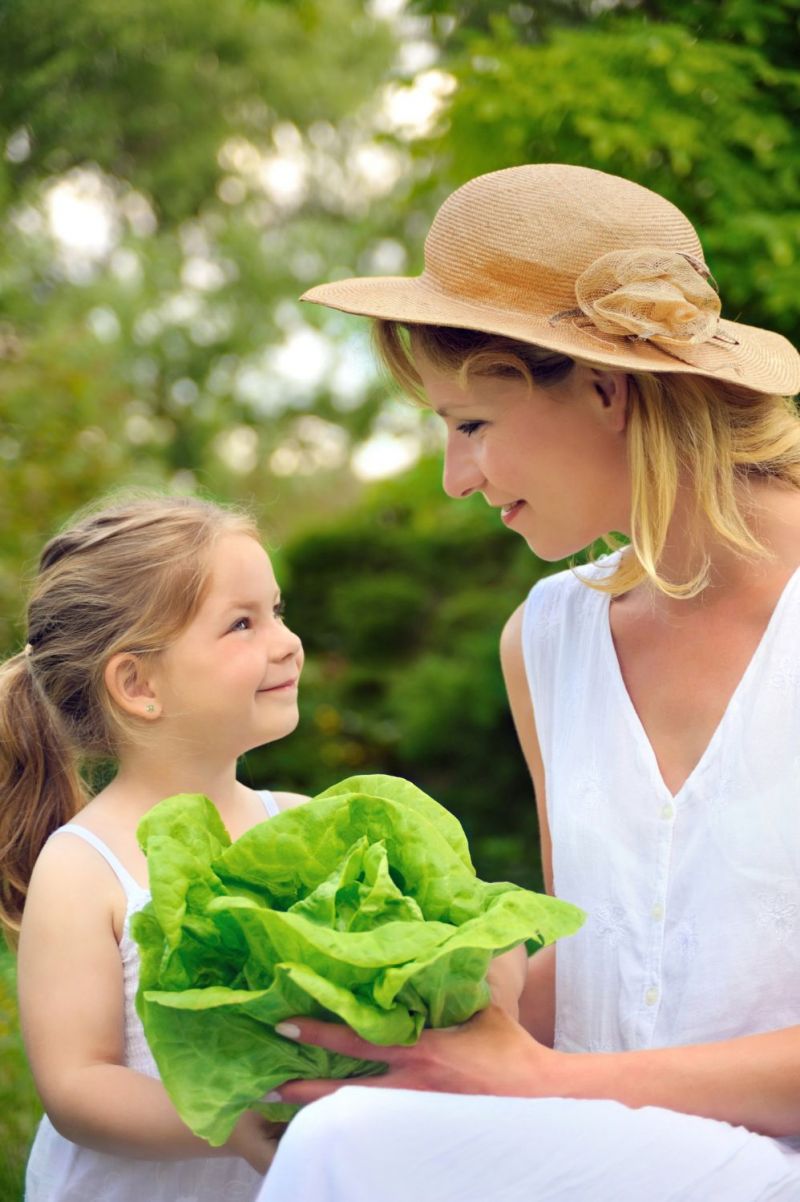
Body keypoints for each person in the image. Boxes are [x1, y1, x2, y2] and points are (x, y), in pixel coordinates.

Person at [253, 164, 800, 1200]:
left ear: (603, 389)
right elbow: (598, 953)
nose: (457, 478)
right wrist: (437, 1007)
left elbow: (548, 1069)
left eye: (470, 423)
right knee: (342, 1122)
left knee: (344, 1153)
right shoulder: (546, 635)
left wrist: (541, 1080)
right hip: (603, 1151)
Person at [0, 495, 307, 1201]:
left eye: (278, 611)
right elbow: (77, 1086)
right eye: (242, 623)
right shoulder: (84, 867)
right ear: (138, 684)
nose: (286, 641)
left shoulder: (298, 824)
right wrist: (233, 1123)